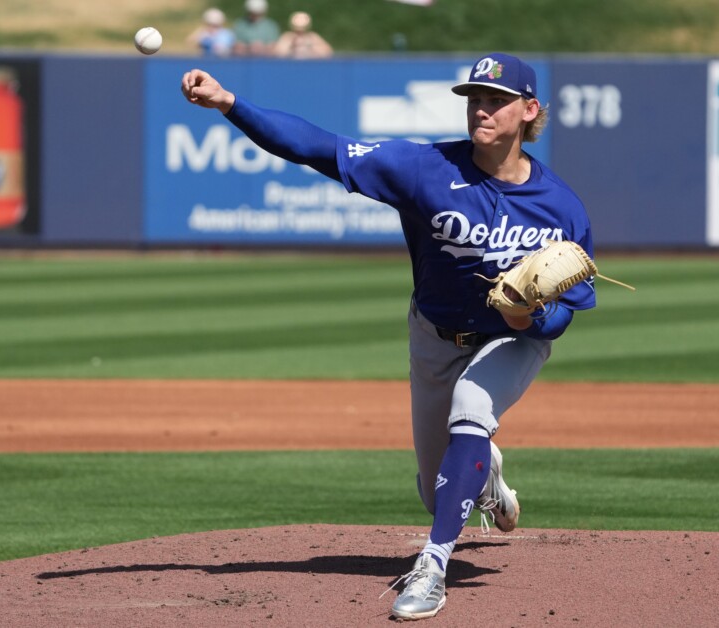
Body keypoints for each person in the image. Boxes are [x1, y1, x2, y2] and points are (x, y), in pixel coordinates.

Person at [180, 52, 596, 620]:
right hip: (434, 337)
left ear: (529, 110)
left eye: (495, 100)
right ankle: (484, 474)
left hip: (511, 340)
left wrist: (530, 318)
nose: (481, 108)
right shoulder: (422, 168)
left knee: (473, 407)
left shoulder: (561, 207)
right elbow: (316, 147)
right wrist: (230, 103)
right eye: (474, 97)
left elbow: (568, 313)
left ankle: (432, 567)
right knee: (436, 490)